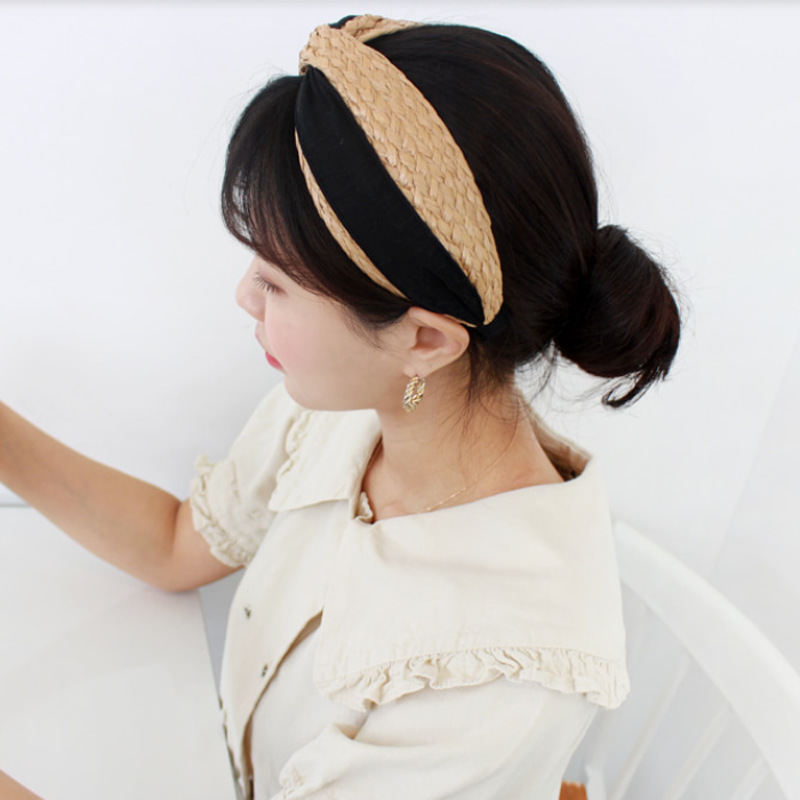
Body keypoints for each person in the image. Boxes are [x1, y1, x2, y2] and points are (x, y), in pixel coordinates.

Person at [0, 14, 681, 800]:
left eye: (277, 281)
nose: (245, 295)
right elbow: (179, 544)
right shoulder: (359, 402)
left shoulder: (496, 676)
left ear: (425, 339)